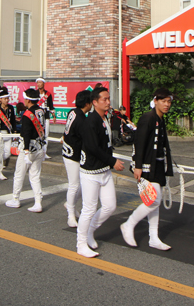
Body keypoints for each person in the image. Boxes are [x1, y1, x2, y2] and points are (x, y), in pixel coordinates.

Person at [120, 88, 174, 251]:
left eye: (168, 101)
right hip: (146, 166)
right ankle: (129, 224)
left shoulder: (160, 118)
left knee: (154, 201)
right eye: (163, 101)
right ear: (155, 101)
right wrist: (137, 166)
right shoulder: (148, 118)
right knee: (153, 200)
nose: (166, 105)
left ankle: (153, 237)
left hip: (158, 164)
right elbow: (139, 143)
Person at [76, 86, 126, 258]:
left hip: (104, 170)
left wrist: (110, 163)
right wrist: (113, 161)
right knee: (88, 209)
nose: (108, 102)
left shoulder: (104, 118)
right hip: (90, 172)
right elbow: (92, 147)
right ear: (94, 102)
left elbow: (106, 145)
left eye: (108, 99)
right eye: (104, 99)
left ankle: (90, 231)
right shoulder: (90, 121)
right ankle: (80, 244)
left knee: (110, 206)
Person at [6, 89, 48, 212]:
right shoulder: (41, 111)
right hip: (40, 147)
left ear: (28, 100)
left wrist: (25, 151)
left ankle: (15, 199)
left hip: (29, 149)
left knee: (19, 174)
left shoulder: (27, 114)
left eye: (25, 99)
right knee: (35, 176)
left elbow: (26, 133)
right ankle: (38, 202)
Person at [59, 90, 91, 228]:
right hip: (73, 155)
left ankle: (70, 205)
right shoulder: (82, 120)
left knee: (80, 185)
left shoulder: (73, 112)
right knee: (74, 185)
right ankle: (70, 215)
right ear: (87, 103)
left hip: (68, 151)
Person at [35, 78, 55, 157]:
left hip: (46, 115)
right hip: (37, 116)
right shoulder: (35, 93)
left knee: (46, 133)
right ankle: (37, 150)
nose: (39, 84)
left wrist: (53, 116)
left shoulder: (48, 94)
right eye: (38, 82)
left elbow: (51, 106)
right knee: (37, 133)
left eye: (40, 82)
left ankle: (44, 152)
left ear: (44, 84)